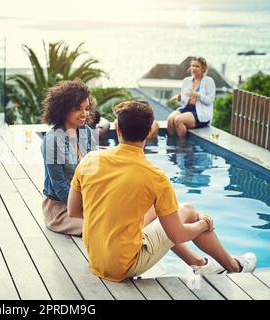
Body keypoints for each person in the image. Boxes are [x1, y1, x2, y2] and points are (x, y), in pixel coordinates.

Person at [68, 100, 257, 282]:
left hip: (96, 258)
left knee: (161, 214)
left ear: (118, 130)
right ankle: (234, 267)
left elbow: (74, 211)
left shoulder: (90, 160)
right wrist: (204, 224)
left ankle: (199, 264)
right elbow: (178, 235)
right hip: (124, 265)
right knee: (189, 211)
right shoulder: (154, 176)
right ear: (150, 131)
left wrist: (111, 218)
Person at [40, 79, 97, 236]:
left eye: (86, 109)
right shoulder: (52, 140)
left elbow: (94, 175)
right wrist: (85, 208)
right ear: (64, 110)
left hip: (86, 202)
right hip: (60, 208)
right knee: (99, 227)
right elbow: (59, 186)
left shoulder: (87, 133)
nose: (84, 114)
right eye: (78, 109)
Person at [167, 57, 216, 137]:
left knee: (178, 120)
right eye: (192, 66)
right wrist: (180, 98)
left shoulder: (209, 81)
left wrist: (197, 95)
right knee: (170, 119)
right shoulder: (187, 81)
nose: (194, 68)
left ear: (203, 69)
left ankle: (181, 146)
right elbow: (184, 101)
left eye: (197, 66)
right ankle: (173, 144)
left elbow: (210, 100)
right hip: (186, 108)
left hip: (200, 113)